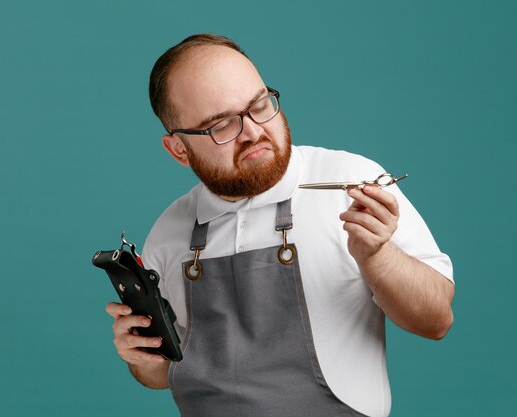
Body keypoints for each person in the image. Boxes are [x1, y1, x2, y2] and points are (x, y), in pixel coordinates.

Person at [105, 34, 454, 417]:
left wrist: (378, 256)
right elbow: (161, 375)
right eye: (221, 125)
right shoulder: (169, 232)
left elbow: (436, 320)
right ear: (178, 149)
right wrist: (140, 359)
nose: (253, 132)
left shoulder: (350, 182)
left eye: (259, 105)